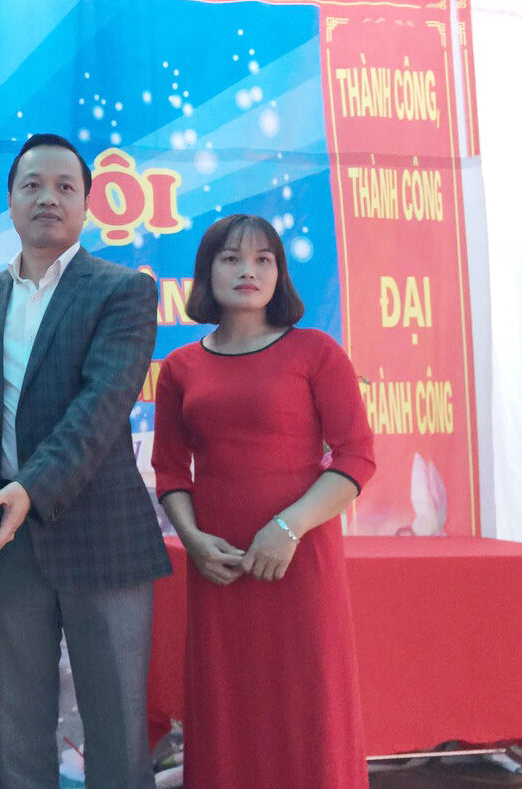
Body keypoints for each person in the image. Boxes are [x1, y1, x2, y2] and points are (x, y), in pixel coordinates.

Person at [0, 134, 170, 788]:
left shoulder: (123, 291)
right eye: (32, 185)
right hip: (2, 541)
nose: (47, 198)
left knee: (116, 736)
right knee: (16, 739)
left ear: (85, 203)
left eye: (63, 186)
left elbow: (100, 407)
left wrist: (29, 487)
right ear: (10, 202)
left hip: (104, 539)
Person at [151, 214, 375, 788]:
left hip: (301, 561)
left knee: (308, 703)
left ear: (279, 273)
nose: (247, 270)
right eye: (231, 258)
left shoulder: (316, 352)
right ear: (207, 272)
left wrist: (288, 528)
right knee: (228, 707)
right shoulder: (179, 367)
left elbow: (356, 458)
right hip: (219, 567)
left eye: (263, 259)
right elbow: (170, 470)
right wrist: (193, 541)